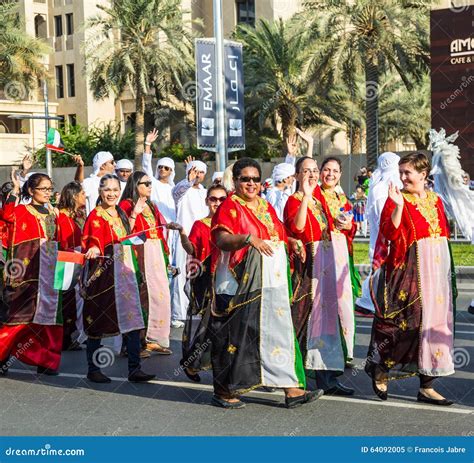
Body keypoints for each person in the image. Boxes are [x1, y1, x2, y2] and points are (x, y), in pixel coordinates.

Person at [210, 157, 323, 409]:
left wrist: (292, 241)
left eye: (255, 179)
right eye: (245, 179)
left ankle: (291, 389)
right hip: (237, 282)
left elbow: (278, 234)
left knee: (277, 331)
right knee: (236, 337)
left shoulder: (265, 205)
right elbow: (221, 239)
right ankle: (224, 390)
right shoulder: (229, 206)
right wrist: (248, 238)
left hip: (271, 280)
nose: (251, 184)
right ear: (236, 181)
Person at [366, 152, 455, 406]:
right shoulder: (396, 199)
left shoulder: (436, 200)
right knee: (402, 321)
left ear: (423, 174)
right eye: (401, 172)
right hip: (408, 269)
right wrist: (396, 206)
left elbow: (443, 234)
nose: (403, 177)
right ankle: (381, 367)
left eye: (408, 172)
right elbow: (390, 234)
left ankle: (427, 385)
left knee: (434, 323)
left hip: (437, 269)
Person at [284, 157, 355, 396]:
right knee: (302, 320)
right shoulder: (295, 201)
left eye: (315, 170)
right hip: (309, 267)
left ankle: (326, 377)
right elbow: (299, 229)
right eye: (307, 171)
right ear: (297, 176)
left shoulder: (322, 200)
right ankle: (291, 375)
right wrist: (305, 195)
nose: (313, 175)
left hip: (327, 264)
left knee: (326, 322)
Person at [81, 174, 154, 384]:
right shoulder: (95, 215)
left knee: (132, 318)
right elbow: (92, 238)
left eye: (115, 190)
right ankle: (93, 369)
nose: (112, 194)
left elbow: (127, 237)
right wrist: (94, 247)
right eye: (107, 190)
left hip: (125, 272)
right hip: (103, 276)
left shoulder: (120, 212)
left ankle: (134, 369)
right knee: (97, 319)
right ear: (100, 192)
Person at [0, 173, 62, 376]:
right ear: (31, 190)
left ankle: (46, 362)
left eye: (49, 189)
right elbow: (6, 214)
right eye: (43, 189)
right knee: (18, 320)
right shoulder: (20, 211)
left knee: (48, 320)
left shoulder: (52, 214)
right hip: (25, 275)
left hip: (50, 275)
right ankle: (3, 358)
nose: (47, 193)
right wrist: (15, 189)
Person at [168, 185, 227, 383]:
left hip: (230, 278)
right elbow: (191, 248)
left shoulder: (232, 224)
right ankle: (192, 363)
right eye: (213, 199)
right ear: (206, 201)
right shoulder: (200, 225)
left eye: (221, 199)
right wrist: (183, 233)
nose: (217, 203)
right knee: (208, 324)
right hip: (207, 279)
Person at [120, 171, 172, 356]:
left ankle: (153, 338)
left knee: (160, 296)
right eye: (145, 183)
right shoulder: (126, 205)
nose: (150, 186)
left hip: (155, 252)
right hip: (139, 252)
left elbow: (158, 231)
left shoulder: (152, 205)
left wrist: (165, 254)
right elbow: (124, 233)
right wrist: (134, 213)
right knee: (140, 295)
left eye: (150, 183)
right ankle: (134, 344)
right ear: (135, 186)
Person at [355, 152, 401, 315]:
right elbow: (381, 214)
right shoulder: (382, 188)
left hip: (386, 232)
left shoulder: (384, 185)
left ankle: (371, 300)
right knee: (380, 266)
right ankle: (370, 300)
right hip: (383, 234)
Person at [170, 158, 208, 328]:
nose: (197, 175)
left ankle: (198, 309)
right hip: (184, 237)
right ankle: (178, 313)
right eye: (194, 171)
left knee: (199, 273)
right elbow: (177, 192)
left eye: (200, 172)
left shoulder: (205, 193)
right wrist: (188, 179)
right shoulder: (182, 189)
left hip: (202, 238)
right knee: (180, 275)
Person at [320, 157, 361, 306]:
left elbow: (353, 226)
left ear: (340, 175)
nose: (331, 174)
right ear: (320, 172)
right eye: (327, 170)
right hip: (322, 252)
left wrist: (349, 227)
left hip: (342, 251)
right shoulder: (314, 196)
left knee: (341, 299)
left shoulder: (343, 199)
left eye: (335, 171)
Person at [56, 181, 87, 351]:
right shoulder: (60, 217)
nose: (85, 196)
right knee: (67, 301)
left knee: (75, 300)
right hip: (65, 262)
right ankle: (64, 338)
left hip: (75, 260)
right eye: (82, 193)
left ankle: (72, 336)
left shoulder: (73, 217)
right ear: (74, 196)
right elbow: (61, 245)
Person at [141, 130, 177, 253]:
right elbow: (146, 166)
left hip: (173, 229)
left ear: (171, 171)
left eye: (166, 168)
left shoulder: (175, 189)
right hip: (157, 227)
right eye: (160, 167)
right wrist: (147, 144)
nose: (162, 169)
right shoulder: (153, 184)